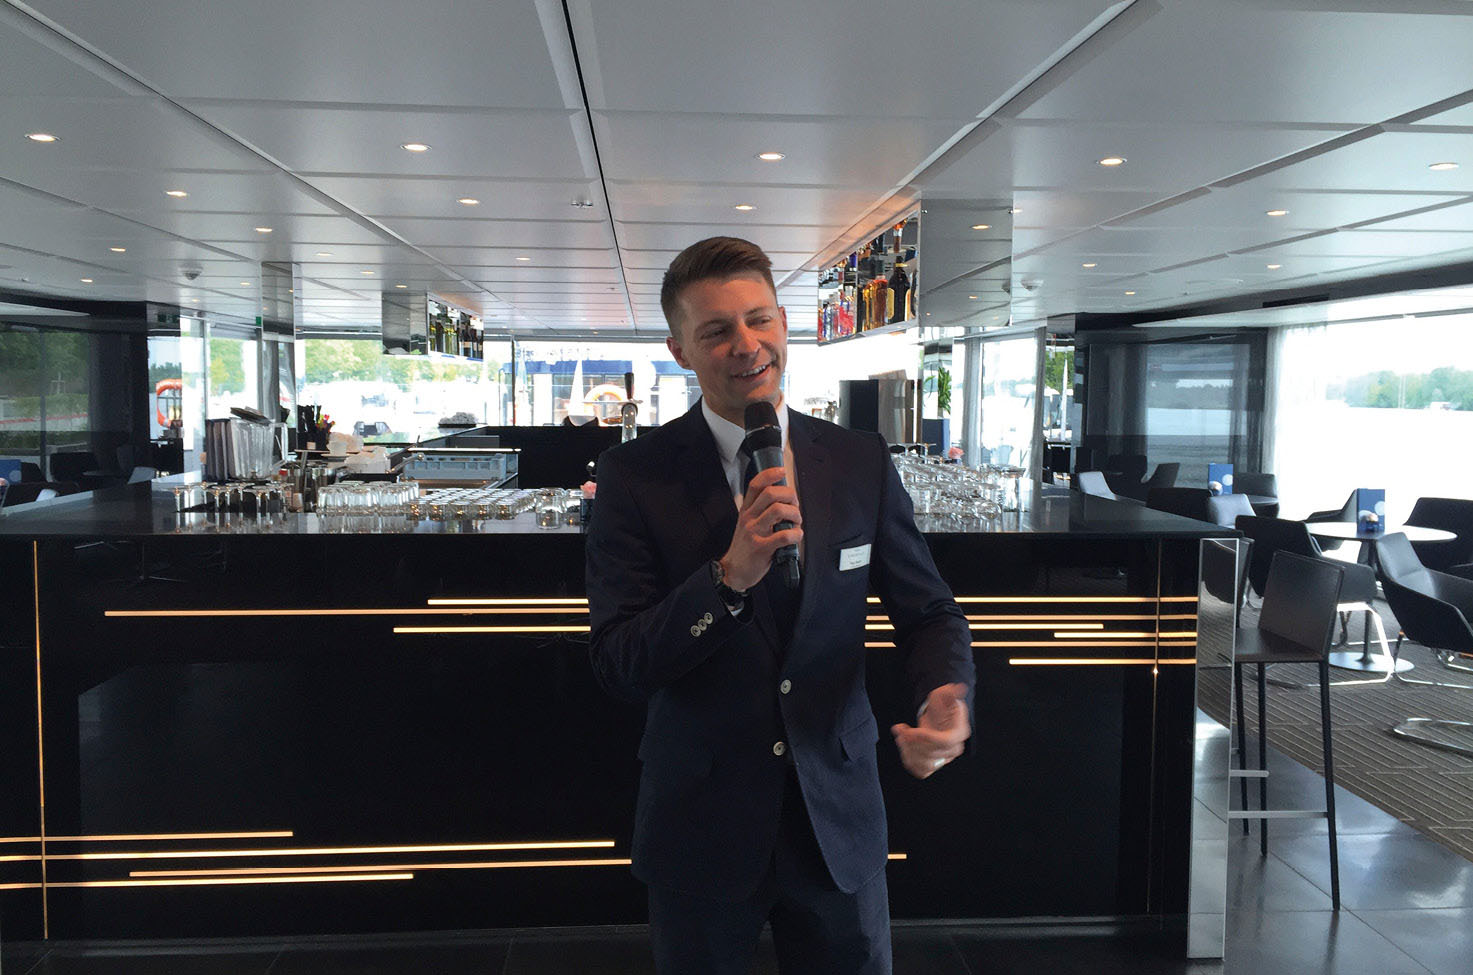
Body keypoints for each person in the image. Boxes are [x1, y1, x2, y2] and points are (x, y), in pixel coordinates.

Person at [585, 236, 975, 974]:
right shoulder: (634, 476)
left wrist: (947, 695)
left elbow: (927, 612)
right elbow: (618, 663)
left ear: (784, 322)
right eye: (716, 331)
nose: (745, 345)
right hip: (701, 826)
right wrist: (727, 576)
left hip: (838, 816)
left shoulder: (858, 460)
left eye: (758, 319)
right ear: (679, 348)